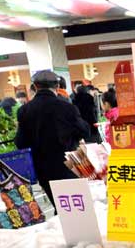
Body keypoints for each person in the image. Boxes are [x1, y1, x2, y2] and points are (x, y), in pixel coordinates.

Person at [15, 70, 91, 207]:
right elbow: (85, 131)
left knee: (58, 204)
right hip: (68, 165)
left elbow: (20, 142)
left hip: (42, 168)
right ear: (57, 87)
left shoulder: (24, 111)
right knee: (74, 205)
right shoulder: (67, 108)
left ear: (35, 87)